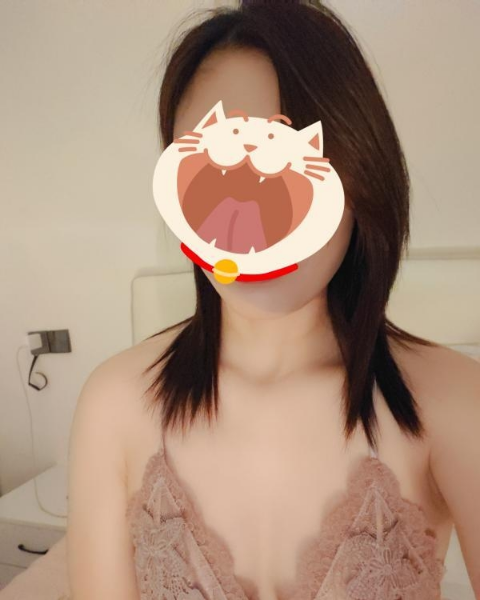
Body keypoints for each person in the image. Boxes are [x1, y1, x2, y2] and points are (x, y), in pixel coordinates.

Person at [66, 2, 480, 599]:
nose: (252, 218)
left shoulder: (454, 404)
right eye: (211, 165)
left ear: (361, 171)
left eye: (290, 162)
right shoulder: (114, 405)